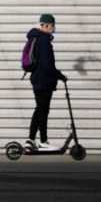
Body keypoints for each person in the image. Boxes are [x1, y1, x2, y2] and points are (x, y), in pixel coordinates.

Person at [25, 14, 67, 151]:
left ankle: (31, 140)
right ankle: (42, 141)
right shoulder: (43, 40)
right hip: (43, 80)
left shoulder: (37, 38)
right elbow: (47, 65)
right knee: (42, 111)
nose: (54, 28)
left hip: (39, 80)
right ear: (46, 25)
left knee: (40, 110)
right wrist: (60, 76)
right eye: (52, 26)